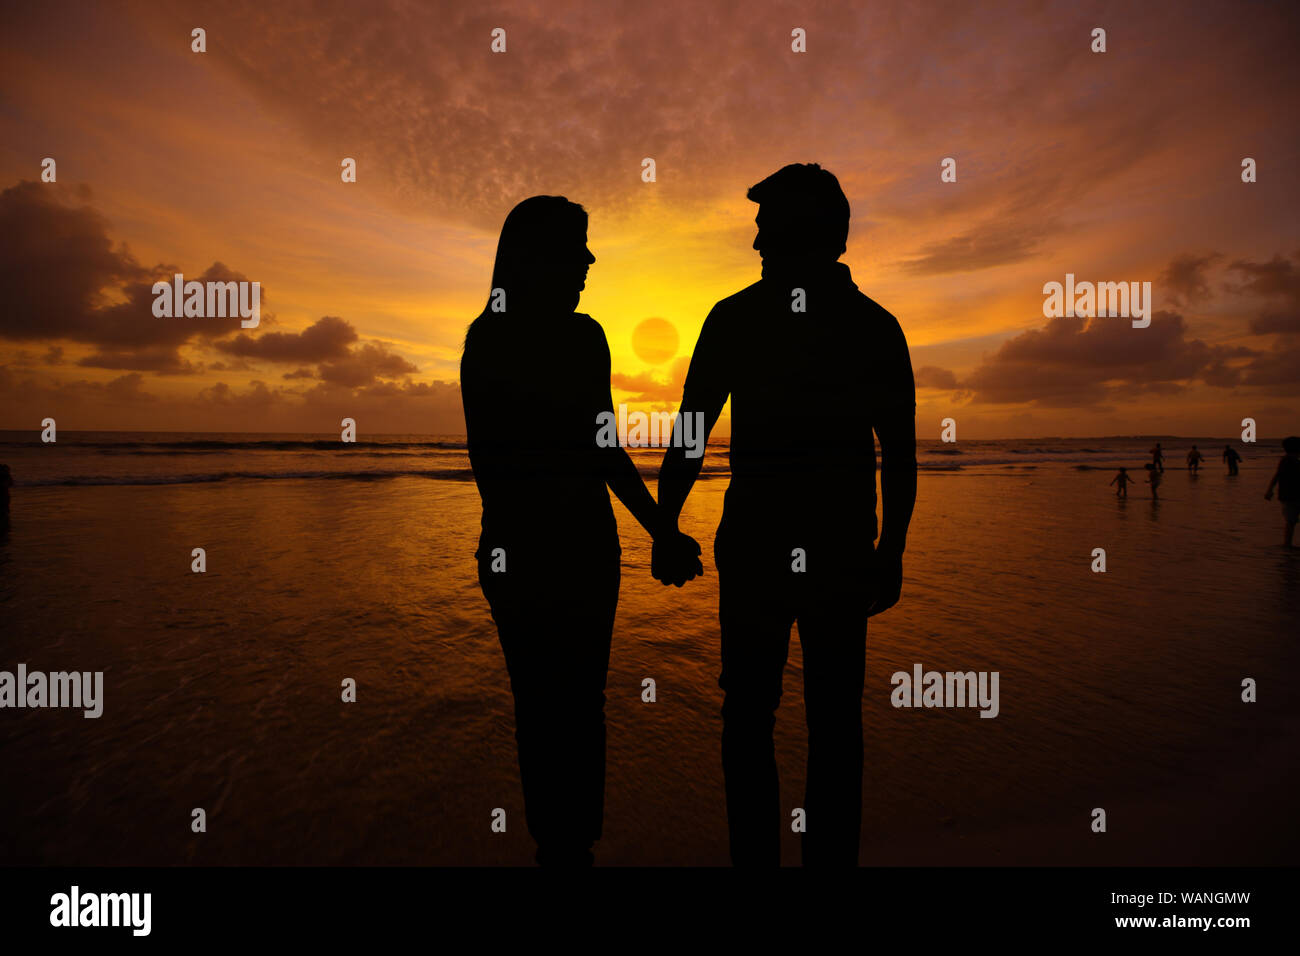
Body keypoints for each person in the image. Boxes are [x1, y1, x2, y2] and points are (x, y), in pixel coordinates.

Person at [654, 164, 917, 867]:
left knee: (751, 717)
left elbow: (689, 433)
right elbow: (898, 456)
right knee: (830, 722)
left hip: (769, 548)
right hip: (830, 550)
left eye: (767, 228)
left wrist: (665, 525)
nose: (756, 244)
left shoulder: (739, 318)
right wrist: (889, 549)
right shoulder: (873, 327)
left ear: (807, 233)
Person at [460, 195, 700, 866]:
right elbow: (581, 453)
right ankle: (563, 847)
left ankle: (569, 847)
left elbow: (600, 449)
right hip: (545, 555)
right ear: (536, 256)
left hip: (562, 553)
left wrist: (661, 529)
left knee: (554, 708)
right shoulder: (511, 338)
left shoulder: (552, 336)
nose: (590, 260)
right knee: (559, 707)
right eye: (578, 247)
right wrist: (661, 530)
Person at [1263, 435, 1300, 548]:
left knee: (1291, 521)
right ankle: (1287, 544)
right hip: (1290, 496)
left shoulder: (1293, 460)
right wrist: (1269, 490)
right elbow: (1277, 476)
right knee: (1291, 521)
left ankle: (1287, 544)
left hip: (1292, 495)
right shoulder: (1287, 461)